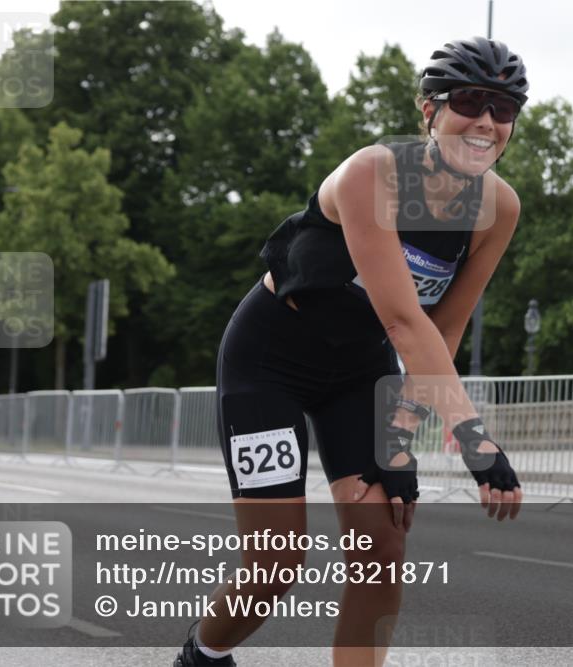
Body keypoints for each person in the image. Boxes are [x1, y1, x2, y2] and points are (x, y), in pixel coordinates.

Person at [174, 36, 528, 667]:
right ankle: (202, 655)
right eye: (469, 101)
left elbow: (442, 331)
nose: (485, 121)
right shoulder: (373, 174)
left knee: (381, 549)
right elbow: (402, 320)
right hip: (269, 363)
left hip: (359, 375)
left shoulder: (498, 208)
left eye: (504, 109)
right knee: (277, 561)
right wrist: (476, 442)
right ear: (429, 110)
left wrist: (399, 436)